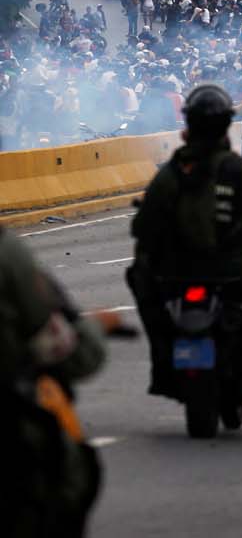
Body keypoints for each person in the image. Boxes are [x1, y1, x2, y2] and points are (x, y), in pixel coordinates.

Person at [126, 83, 242, 399]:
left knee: (140, 275)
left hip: (177, 275)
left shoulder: (171, 172)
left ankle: (164, 361)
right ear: (225, 125)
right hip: (232, 274)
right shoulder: (236, 169)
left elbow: (143, 228)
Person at [2, 227, 112, 537]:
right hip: (13, 422)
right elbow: (57, 342)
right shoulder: (8, 253)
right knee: (67, 477)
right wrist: (94, 330)